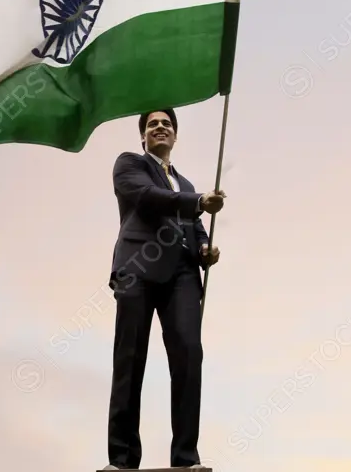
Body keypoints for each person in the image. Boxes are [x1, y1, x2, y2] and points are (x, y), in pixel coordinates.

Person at [103, 109, 226, 470]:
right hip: (137, 269)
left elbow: (195, 227)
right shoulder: (130, 165)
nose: (160, 127)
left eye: (167, 124)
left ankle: (186, 457)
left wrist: (205, 247)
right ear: (143, 137)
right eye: (153, 124)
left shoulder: (186, 185)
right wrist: (198, 202)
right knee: (130, 359)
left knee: (189, 355)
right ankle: (122, 459)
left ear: (175, 137)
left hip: (183, 275)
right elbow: (146, 198)